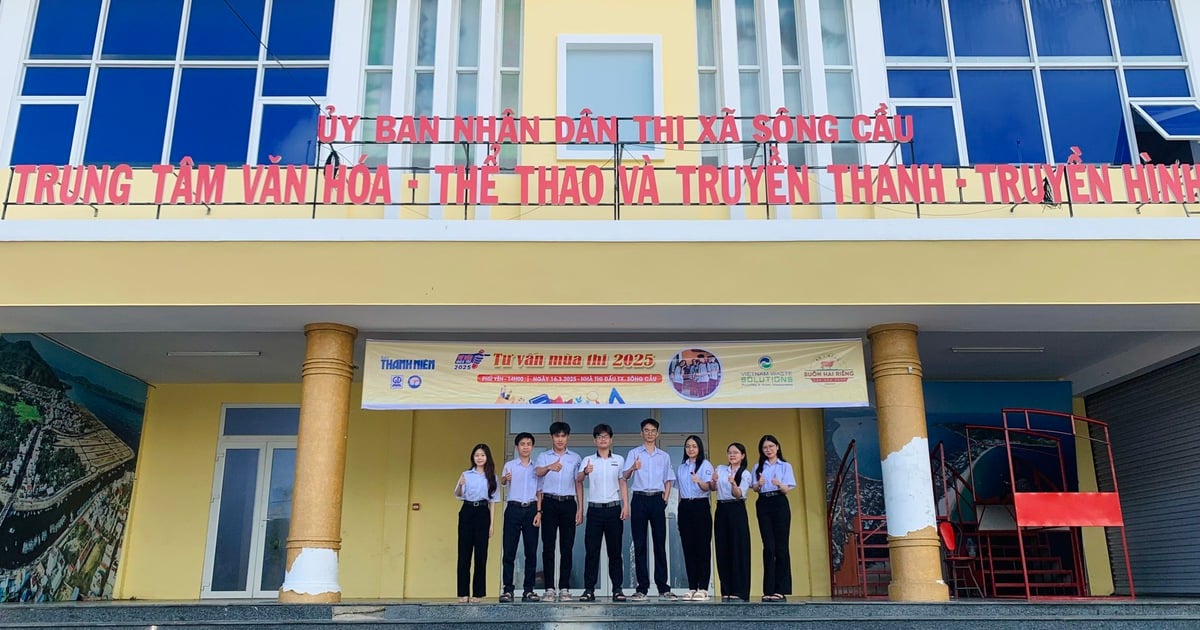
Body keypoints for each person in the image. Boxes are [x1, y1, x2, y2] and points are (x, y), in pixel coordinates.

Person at [622, 417, 678, 601]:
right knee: (639, 544)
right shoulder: (634, 453)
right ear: (641, 433)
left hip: (656, 500)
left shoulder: (664, 456)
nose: (650, 433)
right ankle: (642, 587)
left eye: (653, 430)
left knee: (659, 543)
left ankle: (663, 586)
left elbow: (668, 479)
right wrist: (633, 467)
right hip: (638, 499)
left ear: (657, 433)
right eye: (646, 430)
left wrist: (665, 499)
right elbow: (624, 476)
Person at [575, 423, 630, 602]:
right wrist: (585, 471)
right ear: (595, 440)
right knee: (592, 551)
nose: (603, 439)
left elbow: (623, 482)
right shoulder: (588, 460)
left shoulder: (619, 460)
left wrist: (626, 505)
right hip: (595, 510)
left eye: (606, 436)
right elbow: (578, 479)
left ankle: (617, 589)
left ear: (611, 439)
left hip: (614, 509)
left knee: (615, 552)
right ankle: (589, 589)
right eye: (599, 436)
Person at [534, 421, 583, 602]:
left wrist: (580, 507)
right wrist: (549, 467)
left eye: (563, 436)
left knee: (567, 546)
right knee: (548, 546)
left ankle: (564, 587)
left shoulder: (575, 458)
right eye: (557, 436)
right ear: (552, 437)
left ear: (567, 437)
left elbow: (579, 483)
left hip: (568, 503)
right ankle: (549, 588)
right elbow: (537, 472)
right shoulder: (544, 456)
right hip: (549, 502)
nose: (560, 439)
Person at [454, 443, 500, 603]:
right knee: (464, 554)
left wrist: (491, 525)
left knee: (481, 555)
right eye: (477, 455)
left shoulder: (492, 477)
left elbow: (493, 502)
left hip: (483, 513)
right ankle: (462, 593)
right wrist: (460, 485)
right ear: (473, 458)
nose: (479, 458)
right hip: (467, 511)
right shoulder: (466, 474)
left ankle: (478, 593)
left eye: (482, 455)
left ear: (487, 457)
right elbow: (459, 495)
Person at [752, 434, 796, 602]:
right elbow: (754, 488)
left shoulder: (785, 466)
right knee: (768, 547)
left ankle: (781, 589)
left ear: (777, 447)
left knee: (781, 547)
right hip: (763, 503)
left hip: (779, 502)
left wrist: (779, 484)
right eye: (765, 447)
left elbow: (787, 489)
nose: (768, 450)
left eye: (771, 446)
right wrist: (759, 484)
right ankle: (768, 589)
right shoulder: (758, 467)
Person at [499, 432, 542, 603]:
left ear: (532, 447)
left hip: (531, 509)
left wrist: (539, 512)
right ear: (517, 447)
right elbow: (502, 482)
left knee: (531, 552)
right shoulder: (510, 465)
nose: (525, 447)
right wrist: (505, 478)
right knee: (509, 551)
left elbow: (540, 491)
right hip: (513, 509)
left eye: (529, 444)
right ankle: (508, 590)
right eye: (522, 444)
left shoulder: (536, 468)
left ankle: (529, 590)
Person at [675, 435, 714, 600]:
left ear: (699, 448)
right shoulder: (681, 468)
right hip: (685, 506)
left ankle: (703, 587)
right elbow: (679, 491)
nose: (691, 449)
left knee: (702, 547)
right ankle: (692, 586)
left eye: (694, 446)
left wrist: (699, 481)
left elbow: (709, 488)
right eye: (688, 446)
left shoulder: (705, 465)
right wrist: (678, 511)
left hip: (700, 505)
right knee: (688, 547)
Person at [713, 442, 751, 602]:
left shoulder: (746, 474)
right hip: (721, 508)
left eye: (736, 452)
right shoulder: (721, 469)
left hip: (736, 508)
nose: (732, 455)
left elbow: (738, 494)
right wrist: (714, 481)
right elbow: (713, 488)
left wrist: (734, 483)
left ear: (742, 455)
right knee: (722, 549)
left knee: (738, 549)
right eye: (729, 452)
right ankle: (726, 589)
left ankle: (739, 590)